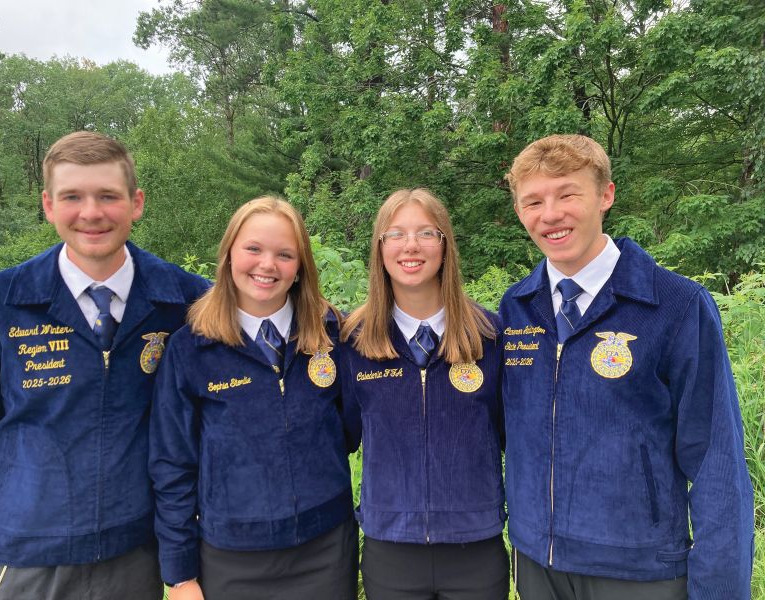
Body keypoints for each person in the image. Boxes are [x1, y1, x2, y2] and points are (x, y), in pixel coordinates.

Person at [500, 134, 754, 599]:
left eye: (567, 194)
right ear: (519, 211)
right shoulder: (516, 308)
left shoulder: (676, 306)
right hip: (538, 565)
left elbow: (717, 461)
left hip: (640, 571)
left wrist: (720, 588)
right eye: (533, 201)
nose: (550, 214)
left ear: (606, 196)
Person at [0, 131, 210, 600]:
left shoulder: (185, 300)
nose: (91, 213)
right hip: (24, 557)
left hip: (134, 552)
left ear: (136, 203)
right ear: (48, 205)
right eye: (72, 196)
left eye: (108, 196)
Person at [149, 196, 357, 600]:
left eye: (284, 254)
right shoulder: (191, 349)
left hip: (326, 548)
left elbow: (350, 428)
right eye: (253, 249)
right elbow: (172, 465)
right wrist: (180, 576)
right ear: (228, 254)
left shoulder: (333, 336)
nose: (267, 265)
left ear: (299, 269)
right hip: (232, 557)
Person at [340, 188, 509, 600]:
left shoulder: (490, 336)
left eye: (425, 233)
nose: (410, 245)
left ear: (445, 244)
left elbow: (512, 436)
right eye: (395, 234)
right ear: (379, 249)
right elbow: (339, 436)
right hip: (391, 551)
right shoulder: (353, 342)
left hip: (475, 549)